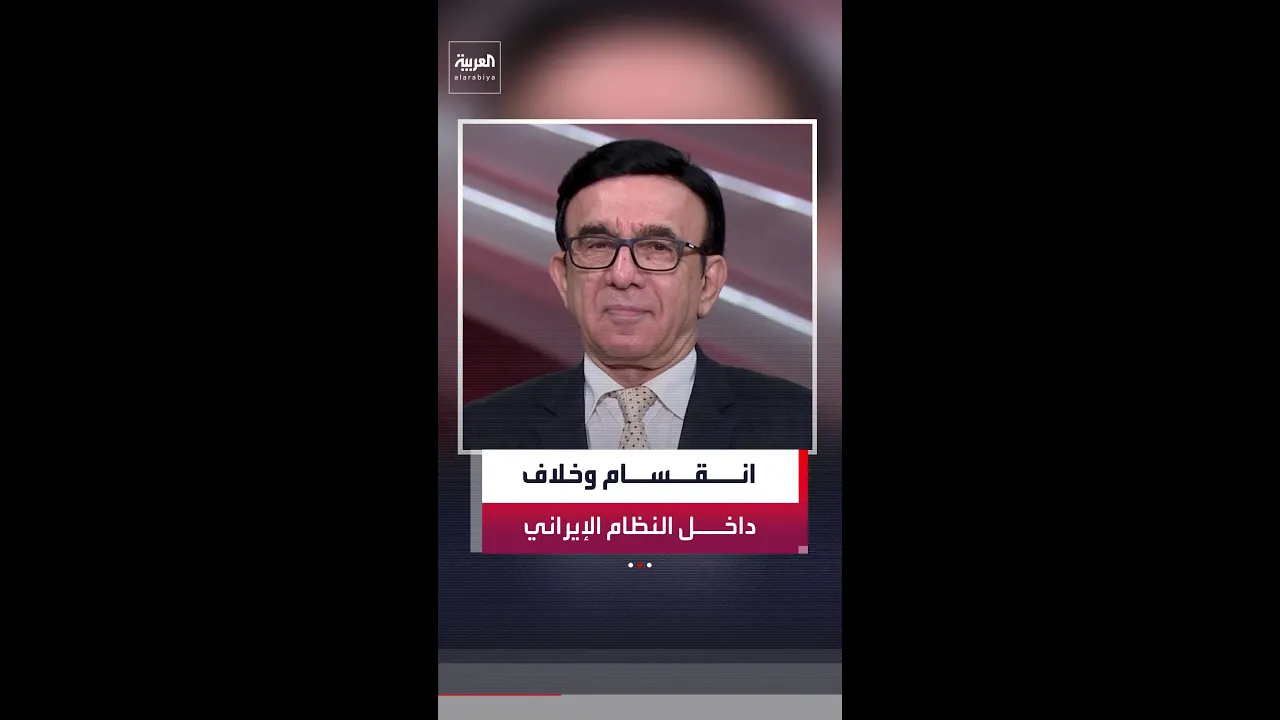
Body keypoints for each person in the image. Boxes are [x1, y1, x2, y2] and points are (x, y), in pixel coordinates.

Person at [463, 139, 812, 450]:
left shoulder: (805, 430)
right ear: (564, 278)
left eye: (658, 247)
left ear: (708, 283)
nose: (622, 275)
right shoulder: (478, 436)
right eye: (597, 245)